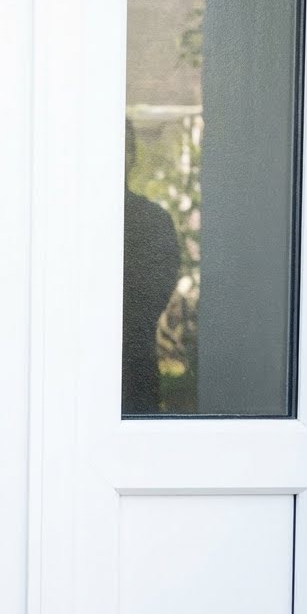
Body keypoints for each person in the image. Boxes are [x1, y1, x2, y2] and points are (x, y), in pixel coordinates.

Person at [122, 122, 181, 414]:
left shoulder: (153, 222)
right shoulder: (66, 221)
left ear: (131, 155)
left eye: (122, 148)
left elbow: (150, 299)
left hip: (133, 370)